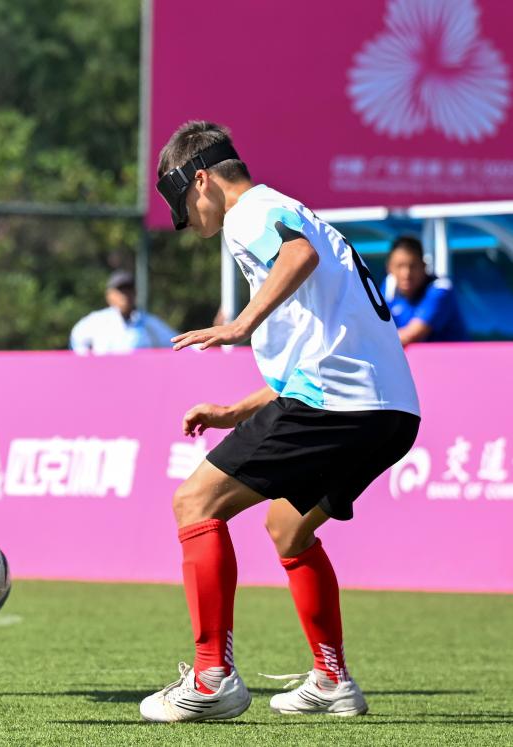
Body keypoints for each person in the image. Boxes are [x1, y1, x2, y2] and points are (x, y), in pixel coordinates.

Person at [139, 121, 420, 722]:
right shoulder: (297, 213)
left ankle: (212, 678)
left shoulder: (250, 213)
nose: (188, 219)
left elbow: (297, 256)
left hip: (338, 405)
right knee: (288, 528)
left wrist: (238, 325)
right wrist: (234, 411)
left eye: (184, 204)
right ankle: (332, 680)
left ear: (202, 179)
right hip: (392, 412)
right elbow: (321, 348)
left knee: (195, 503)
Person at [382, 236, 468, 346]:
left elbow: (410, 336)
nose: (406, 274)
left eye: (413, 266)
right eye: (400, 266)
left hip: (451, 357)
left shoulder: (440, 290)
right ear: (389, 267)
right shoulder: (388, 288)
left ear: (424, 266)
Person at [69, 270, 178, 354]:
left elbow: (176, 343)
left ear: (135, 293)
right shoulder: (96, 321)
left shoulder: (150, 323)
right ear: (109, 295)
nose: (125, 295)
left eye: (129, 290)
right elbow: (77, 343)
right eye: (121, 291)